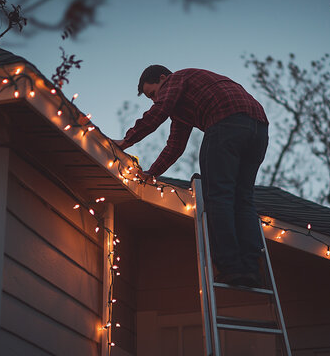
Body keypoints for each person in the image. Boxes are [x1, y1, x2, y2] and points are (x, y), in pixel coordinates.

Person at [114, 65, 269, 287]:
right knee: (242, 199)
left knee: (218, 196)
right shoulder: (185, 104)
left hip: (225, 121)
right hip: (258, 129)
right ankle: (252, 268)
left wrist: (126, 141)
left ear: (163, 78)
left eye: (153, 94)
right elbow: (175, 146)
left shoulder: (177, 78)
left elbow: (160, 110)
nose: (154, 100)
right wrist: (152, 173)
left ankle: (232, 268)